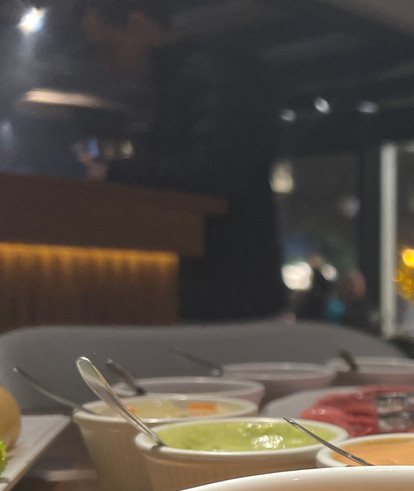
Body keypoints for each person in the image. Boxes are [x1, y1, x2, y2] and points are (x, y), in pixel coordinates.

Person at [78, 0, 286, 321]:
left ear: (138, 24)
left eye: (108, 46)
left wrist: (116, 174)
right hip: (227, 289)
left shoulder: (211, 71)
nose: (109, 65)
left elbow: (215, 173)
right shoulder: (199, 74)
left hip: (222, 293)